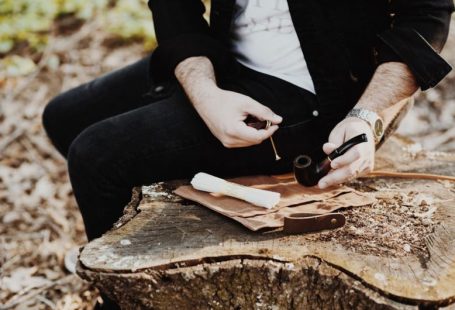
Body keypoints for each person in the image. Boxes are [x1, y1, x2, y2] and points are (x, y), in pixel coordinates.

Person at [42, 0, 453, 308]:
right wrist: (206, 95)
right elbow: (174, 6)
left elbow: (425, 14)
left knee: (96, 155)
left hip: (328, 98)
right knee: (64, 117)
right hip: (229, 63)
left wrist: (366, 116)